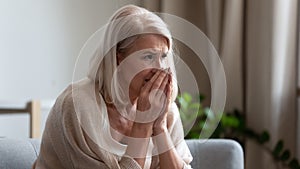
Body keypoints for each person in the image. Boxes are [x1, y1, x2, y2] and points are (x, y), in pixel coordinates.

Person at [33, 5, 192, 169]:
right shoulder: (78, 105)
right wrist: (143, 125)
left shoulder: (163, 108)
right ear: (118, 58)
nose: (160, 68)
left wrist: (160, 128)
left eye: (163, 56)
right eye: (148, 56)